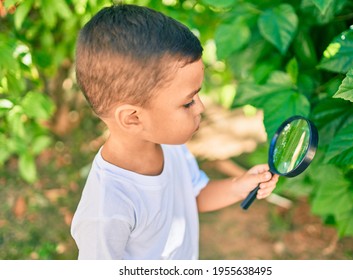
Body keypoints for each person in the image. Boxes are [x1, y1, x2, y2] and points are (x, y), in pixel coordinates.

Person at [70, 3, 279, 260]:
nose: (201, 107)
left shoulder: (170, 145)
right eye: (188, 101)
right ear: (133, 118)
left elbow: (192, 196)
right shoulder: (107, 208)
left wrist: (239, 186)